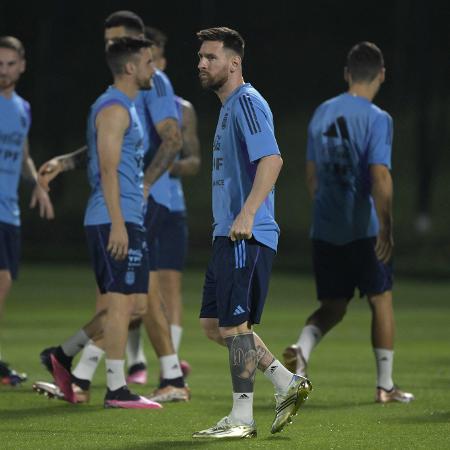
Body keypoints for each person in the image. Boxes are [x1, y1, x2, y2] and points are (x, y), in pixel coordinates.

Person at [34, 11, 189, 404]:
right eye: (107, 41)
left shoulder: (150, 87)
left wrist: (146, 186)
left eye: (116, 39)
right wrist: (70, 164)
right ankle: (121, 381)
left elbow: (171, 142)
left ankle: (77, 365)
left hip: (144, 204)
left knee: (137, 297)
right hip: (119, 209)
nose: (109, 46)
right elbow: (106, 155)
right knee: (131, 298)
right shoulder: (117, 101)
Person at [192, 27, 312, 439]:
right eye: (201, 57)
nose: (202, 63)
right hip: (226, 234)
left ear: (234, 63)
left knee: (234, 327)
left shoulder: (246, 102)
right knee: (214, 325)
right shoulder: (229, 108)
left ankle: (242, 418)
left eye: (211, 57)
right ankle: (286, 383)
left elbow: (273, 160)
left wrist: (246, 215)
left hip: (246, 233)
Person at [283, 42, 414, 404]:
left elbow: (312, 175)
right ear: (382, 74)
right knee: (381, 298)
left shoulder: (321, 113)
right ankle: (385, 385)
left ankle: (302, 348)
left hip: (325, 229)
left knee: (334, 305)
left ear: (346, 73)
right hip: (363, 228)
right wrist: (385, 226)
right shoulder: (377, 118)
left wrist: (326, 210)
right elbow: (380, 176)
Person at [125, 25, 201, 385]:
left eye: (155, 58)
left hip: (171, 208)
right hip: (141, 204)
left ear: (163, 61)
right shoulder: (131, 103)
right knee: (139, 287)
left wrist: (164, 164)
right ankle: (137, 361)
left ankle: (169, 363)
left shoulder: (181, 109)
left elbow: (194, 161)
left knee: (169, 288)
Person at [0, 36, 54, 385]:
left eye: (9, 64)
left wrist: (37, 182)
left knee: (4, 283)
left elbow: (22, 152)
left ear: (21, 66)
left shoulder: (22, 108)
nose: (3, 71)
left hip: (9, 214)